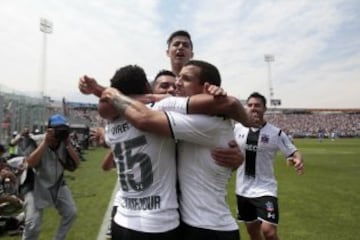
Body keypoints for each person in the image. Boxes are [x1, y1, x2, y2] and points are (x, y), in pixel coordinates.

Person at [101, 60, 246, 240]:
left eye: (183, 80)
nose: (173, 88)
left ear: (206, 88)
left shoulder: (202, 122)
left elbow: (139, 119)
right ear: (150, 89)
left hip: (204, 226)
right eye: (165, 86)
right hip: (173, 222)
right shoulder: (169, 116)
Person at [232, 92, 304, 240]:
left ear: (264, 109)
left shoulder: (275, 133)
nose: (253, 108)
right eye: (250, 105)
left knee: (269, 232)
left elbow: (293, 151)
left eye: (257, 105)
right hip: (243, 189)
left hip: (265, 188)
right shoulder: (237, 129)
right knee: (252, 231)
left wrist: (297, 159)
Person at [22, 114, 80, 240]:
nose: (60, 134)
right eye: (58, 130)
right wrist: (45, 143)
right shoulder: (35, 140)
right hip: (35, 184)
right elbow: (30, 163)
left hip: (57, 182)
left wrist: (68, 144)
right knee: (33, 224)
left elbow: (76, 164)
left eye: (64, 130)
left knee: (71, 212)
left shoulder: (65, 143)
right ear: (49, 130)